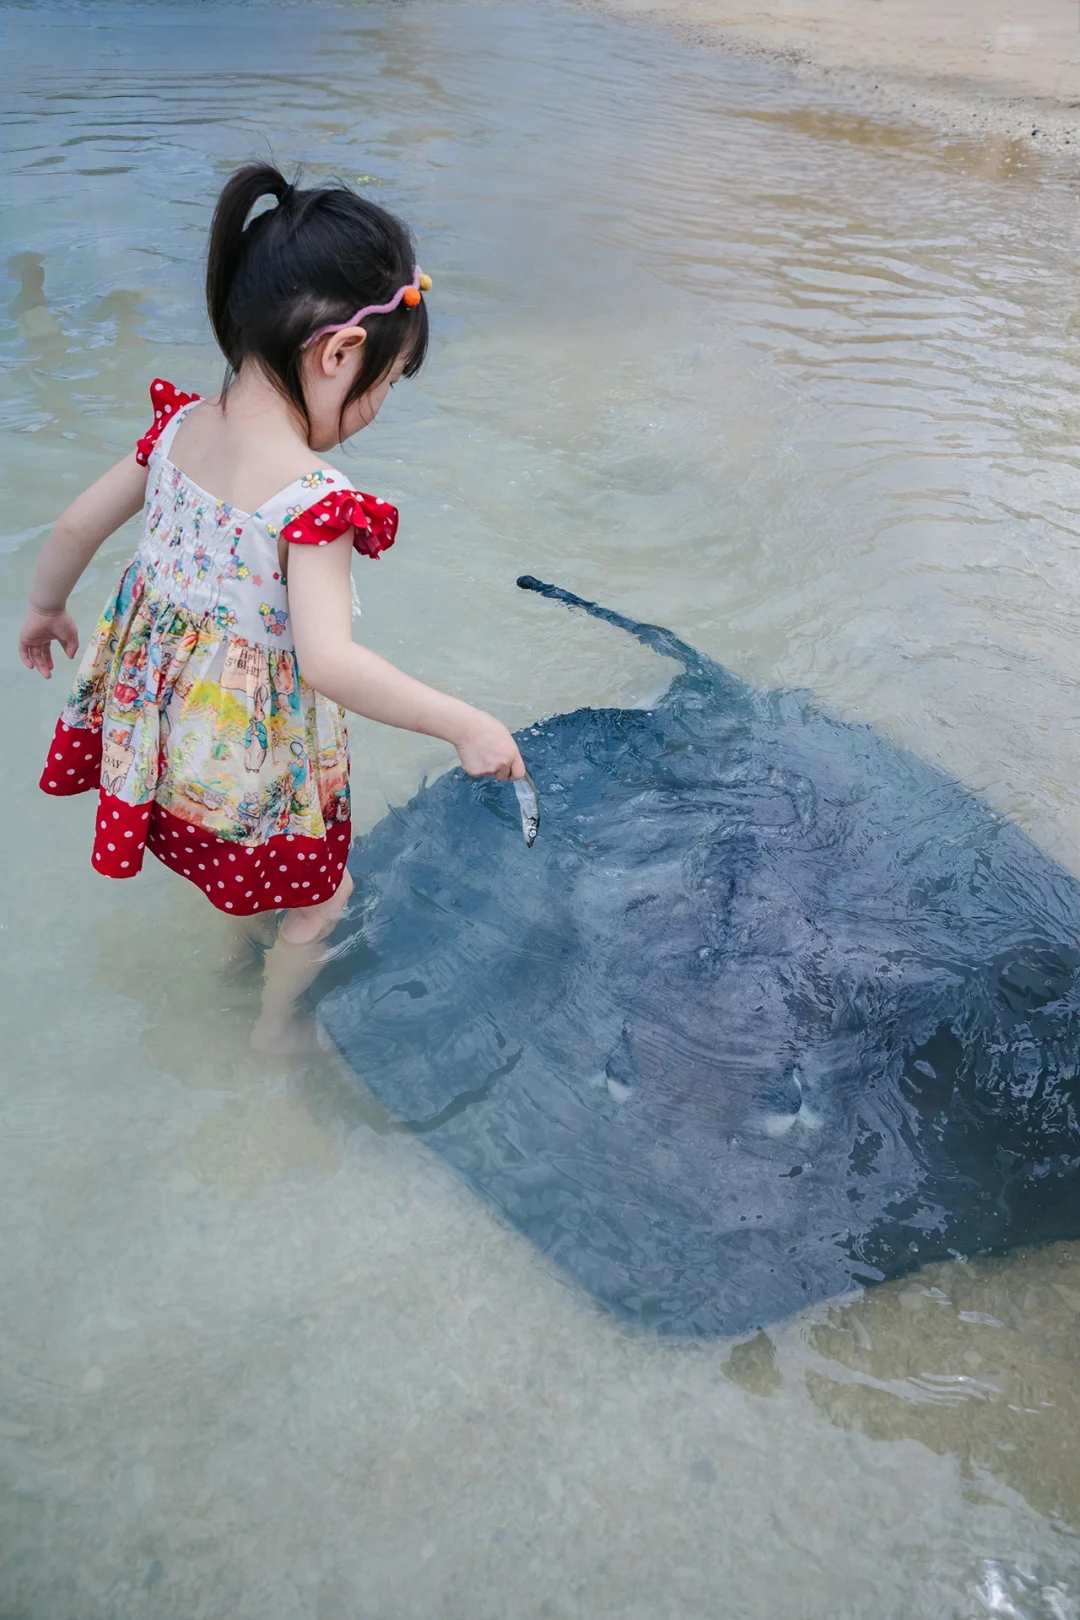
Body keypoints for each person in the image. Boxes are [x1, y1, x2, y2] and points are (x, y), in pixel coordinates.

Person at [18, 163, 525, 1048]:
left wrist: (45, 609)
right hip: (249, 755)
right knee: (322, 897)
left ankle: (230, 956)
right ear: (337, 353)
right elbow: (329, 662)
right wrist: (464, 723)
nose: (374, 409)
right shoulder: (312, 500)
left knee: (256, 868)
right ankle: (277, 1029)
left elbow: (74, 523)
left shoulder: (178, 430)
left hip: (173, 740)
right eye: (386, 383)